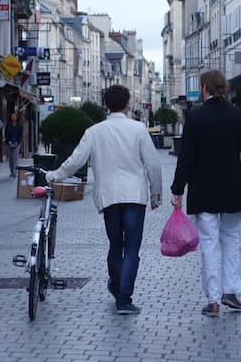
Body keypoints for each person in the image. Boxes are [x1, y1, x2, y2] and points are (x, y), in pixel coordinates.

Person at [46, 85, 162, 315]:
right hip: (134, 196)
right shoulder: (138, 129)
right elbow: (153, 164)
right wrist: (156, 194)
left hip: (108, 196)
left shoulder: (94, 131)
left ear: (106, 105)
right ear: (127, 103)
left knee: (115, 245)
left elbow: (75, 161)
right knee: (131, 249)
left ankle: (117, 286)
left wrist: (54, 175)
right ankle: (124, 299)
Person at [170, 70, 241, 318]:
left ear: (204, 88)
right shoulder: (239, 116)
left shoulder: (196, 117)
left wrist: (177, 190)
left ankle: (213, 301)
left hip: (204, 190)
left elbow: (186, 158)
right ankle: (231, 291)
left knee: (209, 245)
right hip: (233, 189)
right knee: (230, 241)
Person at [6, 113, 22, 177]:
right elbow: (6, 135)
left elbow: (20, 135)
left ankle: (14, 172)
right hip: (9, 143)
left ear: (16, 118)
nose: (13, 117)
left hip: (17, 143)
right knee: (10, 158)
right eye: (12, 116)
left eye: (15, 116)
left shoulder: (19, 126)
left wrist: (17, 142)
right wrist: (9, 142)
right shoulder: (8, 126)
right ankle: (12, 171)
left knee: (15, 157)